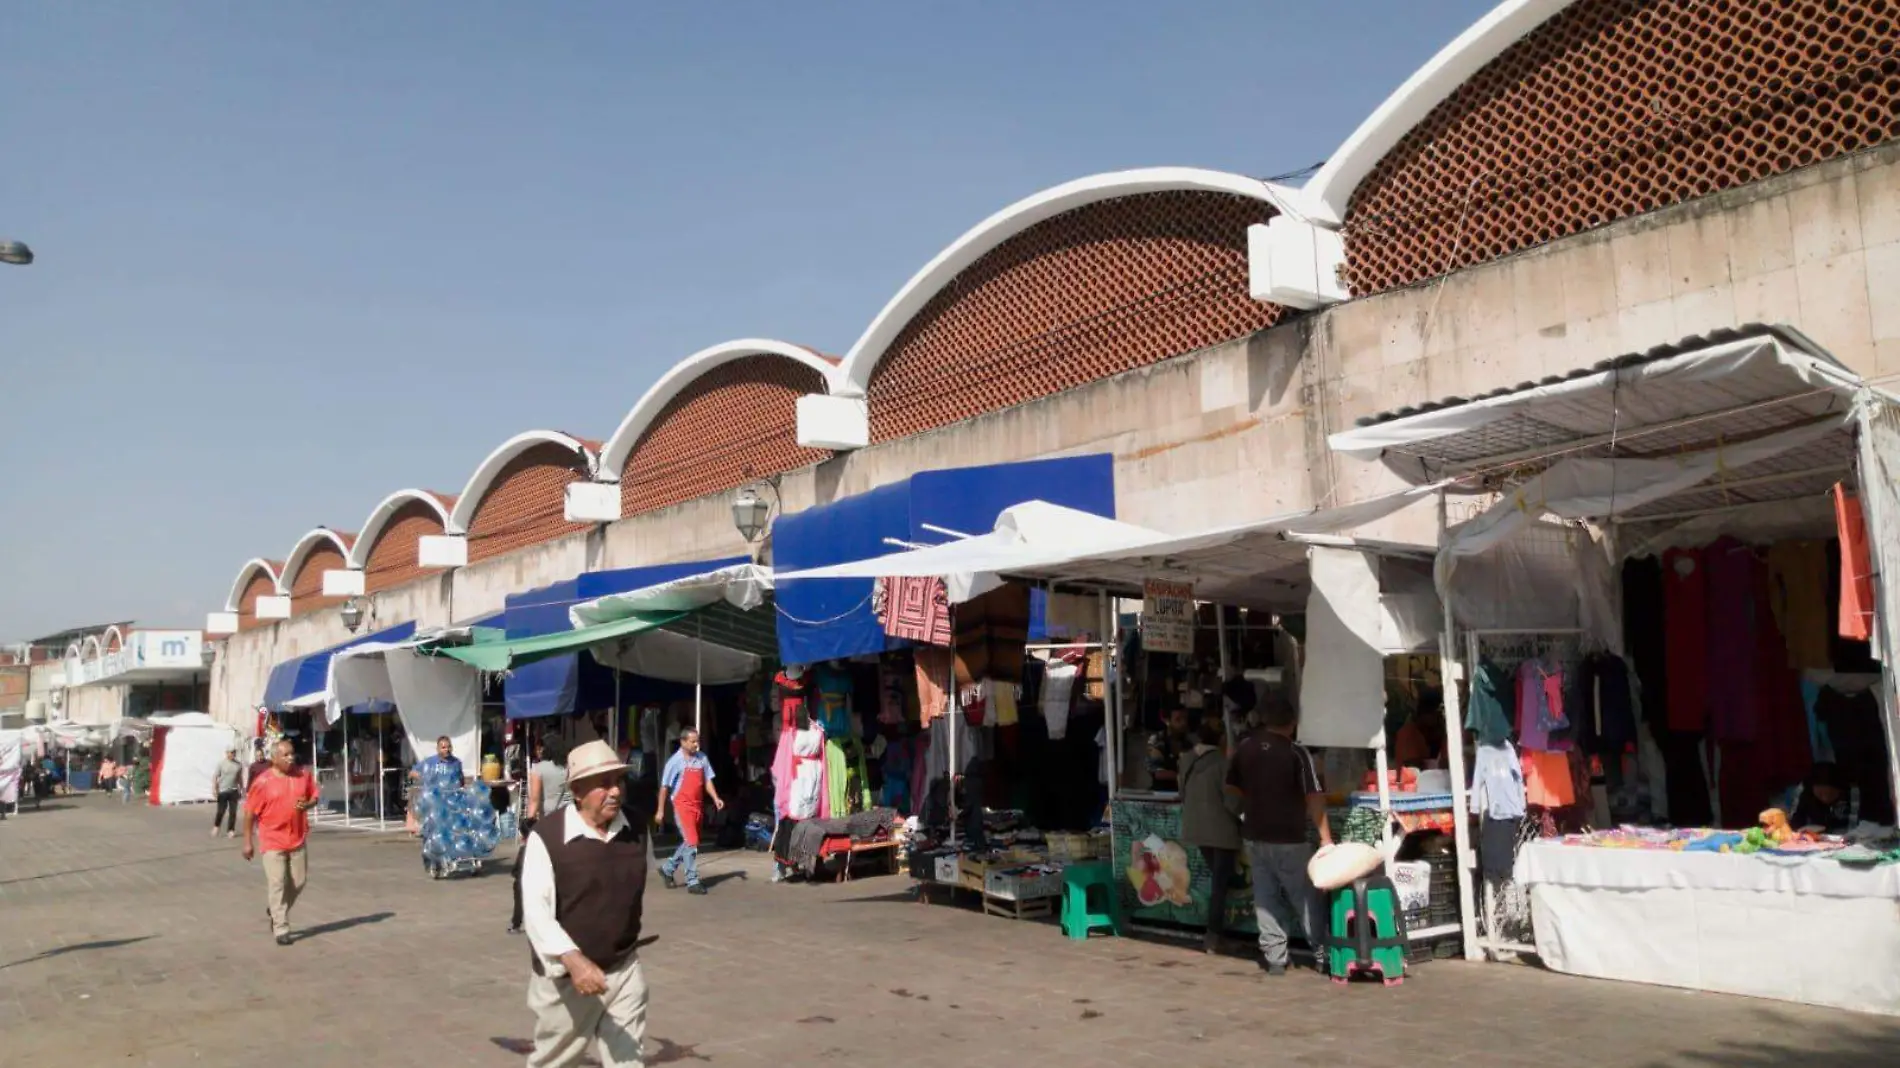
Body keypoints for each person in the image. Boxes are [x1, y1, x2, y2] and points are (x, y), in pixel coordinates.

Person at [519, 740, 650, 1067]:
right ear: (577, 791)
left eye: (618, 781)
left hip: (623, 969)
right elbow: (535, 911)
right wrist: (574, 961)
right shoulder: (548, 838)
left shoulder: (636, 828)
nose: (615, 791)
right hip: (565, 980)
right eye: (603, 784)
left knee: (628, 1061)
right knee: (556, 1061)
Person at [1226, 695, 1331, 976]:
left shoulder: (1244, 749)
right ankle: (1323, 953)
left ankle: (1276, 959)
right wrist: (1326, 838)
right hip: (1289, 838)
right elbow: (1315, 798)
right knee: (1304, 898)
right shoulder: (1296, 753)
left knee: (1265, 898)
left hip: (1254, 836)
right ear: (1293, 723)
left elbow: (1233, 791)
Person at [242, 739, 320, 946]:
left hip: (297, 838)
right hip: (272, 840)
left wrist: (308, 804)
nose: (290, 758)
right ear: (274, 758)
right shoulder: (263, 782)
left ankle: (276, 909)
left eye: (291, 754)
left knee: (298, 881)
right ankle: (281, 927)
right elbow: (249, 813)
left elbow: (315, 797)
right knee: (276, 883)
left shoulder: (303, 775)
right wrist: (247, 842)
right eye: (285, 755)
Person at [1178, 721, 1242, 955]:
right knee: (1221, 885)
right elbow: (1232, 801)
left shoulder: (1186, 761)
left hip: (1197, 829)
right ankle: (1213, 937)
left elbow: (1181, 793)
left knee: (1219, 881)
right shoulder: (1223, 765)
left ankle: (1216, 934)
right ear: (1221, 741)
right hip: (1222, 832)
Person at [510, 738, 571, 934]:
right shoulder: (570, 767)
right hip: (570, 821)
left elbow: (534, 801)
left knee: (527, 873)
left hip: (549, 825)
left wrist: (527, 828)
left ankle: (520, 920)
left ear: (544, 749)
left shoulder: (539, 768)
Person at [656, 729, 724, 896]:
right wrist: (660, 810)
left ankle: (668, 868)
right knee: (691, 841)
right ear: (683, 742)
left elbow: (707, 780)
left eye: (697, 741)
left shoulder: (702, 758)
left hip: (697, 805)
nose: (696, 744)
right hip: (682, 805)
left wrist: (716, 798)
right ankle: (692, 880)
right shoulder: (674, 762)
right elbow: (664, 787)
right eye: (693, 741)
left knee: (690, 842)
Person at [1791, 762, 1851, 832]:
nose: (1825, 798)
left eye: (1831, 794)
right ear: (1812, 788)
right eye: (1820, 794)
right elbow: (1795, 821)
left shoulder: (1850, 794)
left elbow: (1858, 823)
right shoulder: (1804, 792)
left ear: (1840, 790)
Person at [212, 746, 244, 838]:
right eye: (230, 752)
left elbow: (239, 778)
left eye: (233, 752)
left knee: (233, 812)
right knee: (221, 811)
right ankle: (216, 826)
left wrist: (242, 789)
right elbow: (215, 777)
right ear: (226, 753)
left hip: (233, 791)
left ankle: (231, 830)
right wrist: (214, 789)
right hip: (223, 790)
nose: (231, 754)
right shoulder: (221, 763)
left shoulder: (238, 764)